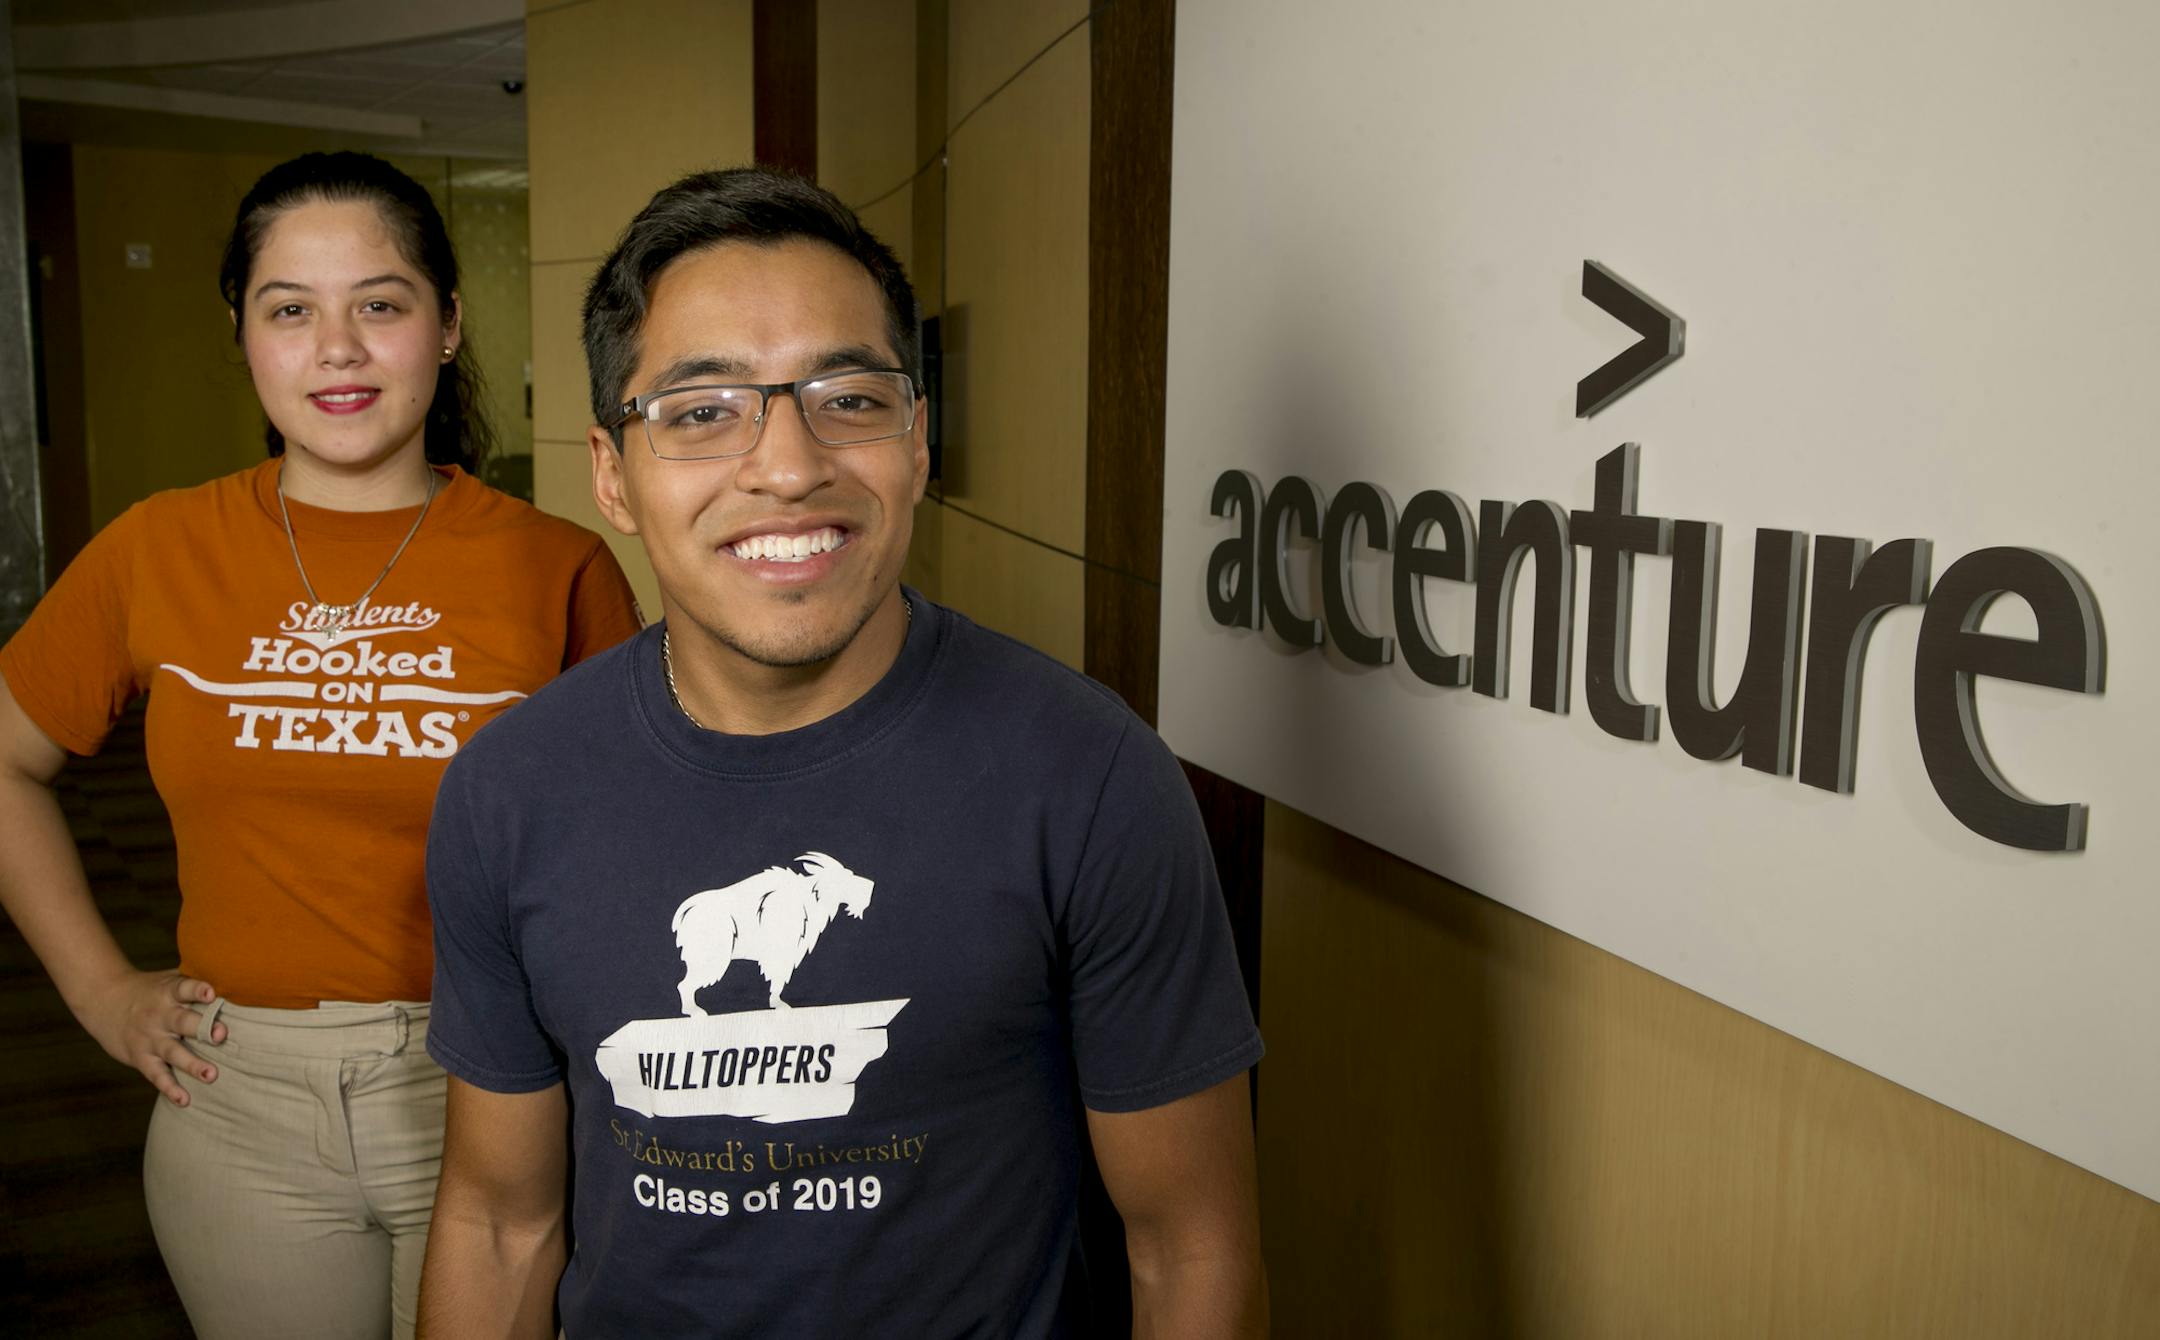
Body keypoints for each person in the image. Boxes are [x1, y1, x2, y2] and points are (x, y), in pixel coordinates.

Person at [416, 167, 1268, 1337]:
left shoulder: (1090, 776)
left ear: (916, 441)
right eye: (703, 410)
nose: (789, 463)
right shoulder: (510, 790)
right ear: (612, 473)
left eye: (849, 397)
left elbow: (1191, 1241)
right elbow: (500, 1221)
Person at [0, 151, 643, 1340]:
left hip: (496, 1088)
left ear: (446, 326)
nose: (335, 347)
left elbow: (636, 840)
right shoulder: (157, 547)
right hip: (237, 1102)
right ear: (243, 333)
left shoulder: (555, 566)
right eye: (289, 308)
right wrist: (100, 991)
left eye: (379, 304)